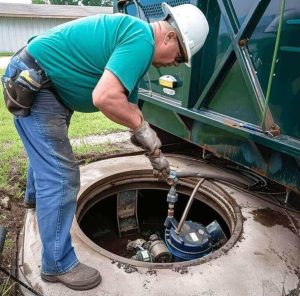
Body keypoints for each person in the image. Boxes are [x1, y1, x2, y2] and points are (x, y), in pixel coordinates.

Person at [1, 2, 209, 291]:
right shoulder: (140, 39)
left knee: (47, 155)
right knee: (62, 176)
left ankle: (36, 200)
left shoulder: (136, 42)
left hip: (46, 85)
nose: (174, 64)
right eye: (178, 56)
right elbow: (105, 97)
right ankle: (57, 264)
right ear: (170, 37)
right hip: (36, 85)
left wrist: (155, 155)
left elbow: (129, 108)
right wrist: (144, 129)